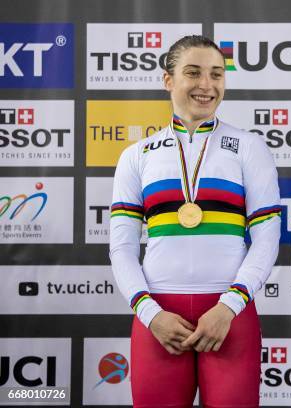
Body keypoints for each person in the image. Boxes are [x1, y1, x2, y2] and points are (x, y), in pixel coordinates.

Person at [109, 35, 280, 408]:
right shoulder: (137, 156)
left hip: (230, 314)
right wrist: (150, 314)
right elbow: (121, 247)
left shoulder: (249, 147)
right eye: (194, 73)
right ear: (168, 80)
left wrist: (228, 307)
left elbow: (267, 241)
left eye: (217, 74)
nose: (207, 85)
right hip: (158, 316)